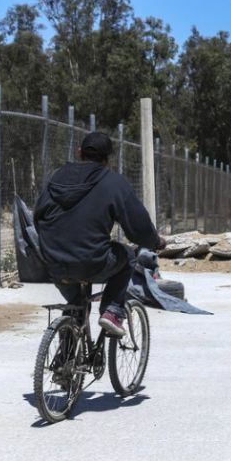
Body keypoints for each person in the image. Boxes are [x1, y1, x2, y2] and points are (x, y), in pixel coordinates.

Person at [34, 131, 166, 336]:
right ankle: (112, 312)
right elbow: (138, 225)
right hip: (92, 262)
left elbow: (38, 215)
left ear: (79, 153)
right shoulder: (113, 183)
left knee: (76, 305)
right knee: (128, 257)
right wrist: (154, 241)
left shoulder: (56, 177)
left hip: (54, 263)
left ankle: (65, 357)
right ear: (107, 159)